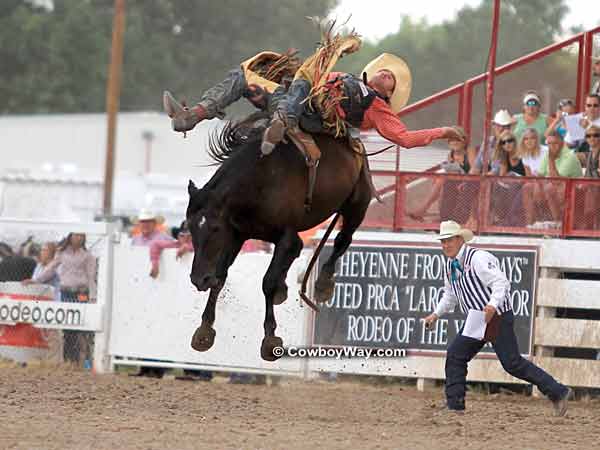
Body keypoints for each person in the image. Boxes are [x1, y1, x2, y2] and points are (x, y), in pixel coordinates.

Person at [423, 220, 571, 415]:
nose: (445, 245)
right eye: (443, 241)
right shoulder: (450, 265)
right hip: (477, 319)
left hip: (497, 316)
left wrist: (492, 305)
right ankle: (455, 404)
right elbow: (450, 295)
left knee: (512, 364)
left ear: (460, 240)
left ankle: (558, 391)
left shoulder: (478, 259)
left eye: (449, 240)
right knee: (456, 355)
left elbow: (501, 282)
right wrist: (436, 314)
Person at [35, 233, 97, 365]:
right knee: (67, 328)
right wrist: (36, 280)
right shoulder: (61, 253)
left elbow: (91, 278)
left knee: (81, 328)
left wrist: (92, 297)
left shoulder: (88, 256)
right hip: (66, 293)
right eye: (76, 235)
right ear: (70, 237)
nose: (79, 238)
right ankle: (69, 360)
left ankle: (82, 360)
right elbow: (50, 269)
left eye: (81, 236)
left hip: (81, 293)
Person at [408, 127, 474, 223]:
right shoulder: (450, 154)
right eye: (451, 140)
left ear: (464, 141)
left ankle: (424, 209)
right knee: (441, 181)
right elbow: (450, 170)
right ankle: (441, 215)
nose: (454, 143)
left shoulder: (469, 152)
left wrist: (462, 177)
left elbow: (473, 171)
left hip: (469, 182)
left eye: (457, 140)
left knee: (441, 181)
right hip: (454, 181)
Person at [535, 131, 582, 223]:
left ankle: (558, 222)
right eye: (549, 143)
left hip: (574, 190)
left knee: (550, 188)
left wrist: (551, 160)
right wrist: (538, 185)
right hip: (554, 186)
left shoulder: (570, 156)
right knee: (528, 187)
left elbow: (557, 181)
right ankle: (532, 224)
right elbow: (540, 175)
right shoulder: (548, 154)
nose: (552, 146)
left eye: (555, 143)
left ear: (562, 143)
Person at [470, 109, 513, 175]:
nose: (501, 129)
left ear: (509, 128)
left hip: (506, 181)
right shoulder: (488, 142)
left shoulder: (511, 143)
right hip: (491, 179)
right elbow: (476, 166)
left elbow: (497, 171)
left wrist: (480, 179)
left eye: (504, 126)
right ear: (494, 126)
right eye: (498, 125)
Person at [565, 94, 600, 164]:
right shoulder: (578, 120)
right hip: (579, 154)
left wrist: (588, 127)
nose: (592, 108)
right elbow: (567, 144)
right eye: (589, 105)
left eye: (595, 105)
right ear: (585, 107)